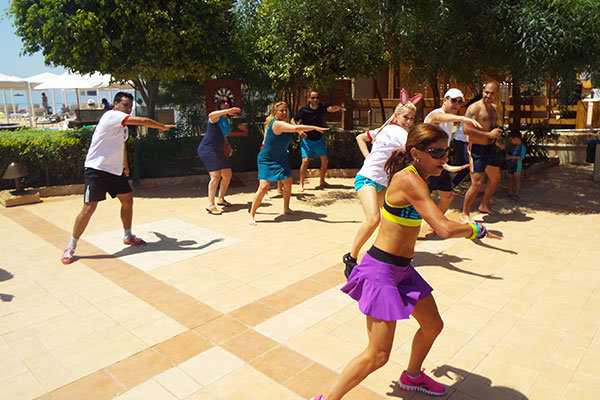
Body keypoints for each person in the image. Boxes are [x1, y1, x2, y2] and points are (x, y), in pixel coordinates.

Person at [310, 124, 500, 400]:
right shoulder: (409, 180)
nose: (444, 158)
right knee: (378, 355)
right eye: (437, 153)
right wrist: (475, 229)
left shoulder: (419, 178)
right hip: (381, 271)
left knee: (433, 325)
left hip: (402, 270)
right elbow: (444, 228)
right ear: (415, 153)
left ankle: (412, 377)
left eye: (446, 152)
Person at [60, 92, 176, 264]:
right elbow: (143, 121)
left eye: (130, 106)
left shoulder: (123, 127)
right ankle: (71, 246)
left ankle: (128, 236)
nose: (128, 109)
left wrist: (125, 166)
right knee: (89, 208)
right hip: (96, 169)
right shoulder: (111, 115)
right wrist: (162, 126)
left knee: (127, 201)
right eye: (125, 105)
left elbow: (121, 145)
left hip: (114, 172)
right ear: (115, 104)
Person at [342, 101, 417, 278]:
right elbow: (417, 153)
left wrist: (368, 158)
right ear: (396, 116)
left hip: (382, 184)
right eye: (405, 117)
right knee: (374, 219)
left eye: (412, 118)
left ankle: (388, 253)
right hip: (366, 179)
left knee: (395, 217)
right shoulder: (399, 133)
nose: (408, 121)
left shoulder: (385, 130)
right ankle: (351, 258)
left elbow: (361, 138)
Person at [249, 101, 327, 225]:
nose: (285, 112)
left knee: (288, 181)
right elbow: (295, 128)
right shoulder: (277, 124)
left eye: (286, 110)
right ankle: (252, 215)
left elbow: (292, 131)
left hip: (281, 158)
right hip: (267, 159)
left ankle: (286, 208)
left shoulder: (284, 125)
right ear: (275, 113)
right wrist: (314, 127)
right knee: (263, 187)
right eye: (281, 111)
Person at [423, 88, 480, 215]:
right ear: (445, 100)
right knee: (422, 200)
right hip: (427, 165)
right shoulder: (436, 114)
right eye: (454, 100)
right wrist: (463, 119)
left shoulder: (449, 121)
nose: (456, 104)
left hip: (439, 164)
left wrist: (446, 165)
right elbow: (438, 117)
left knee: (447, 196)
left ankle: (436, 222)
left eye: (460, 102)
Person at [459, 82, 504, 224]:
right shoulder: (474, 108)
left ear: (496, 94)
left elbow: (493, 128)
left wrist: (497, 139)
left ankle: (484, 205)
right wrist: (488, 135)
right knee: (477, 183)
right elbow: (466, 130)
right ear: (483, 91)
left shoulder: (495, 109)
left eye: (492, 93)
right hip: (476, 148)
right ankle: (464, 213)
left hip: (490, 148)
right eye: (486, 92)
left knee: (495, 178)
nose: (488, 95)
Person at [292, 91, 345, 192]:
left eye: (317, 97)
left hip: (318, 139)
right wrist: (299, 131)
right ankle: (301, 184)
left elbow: (330, 109)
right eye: (313, 97)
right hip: (306, 138)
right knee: (305, 160)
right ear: (309, 99)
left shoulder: (322, 107)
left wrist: (337, 108)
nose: (315, 99)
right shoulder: (304, 110)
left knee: (325, 160)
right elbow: (293, 120)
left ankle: (322, 181)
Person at [197, 97, 240, 215]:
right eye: (223, 102)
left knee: (227, 174)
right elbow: (210, 115)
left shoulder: (226, 120)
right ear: (219, 104)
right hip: (208, 149)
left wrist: (228, 146)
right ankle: (210, 204)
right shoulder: (216, 116)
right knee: (215, 176)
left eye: (227, 102)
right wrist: (227, 111)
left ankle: (220, 198)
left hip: (218, 150)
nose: (226, 104)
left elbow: (224, 135)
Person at [505, 131, 526, 200]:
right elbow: (507, 152)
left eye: (511, 140)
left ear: (516, 138)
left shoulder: (522, 147)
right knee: (510, 179)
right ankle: (510, 192)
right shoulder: (512, 146)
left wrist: (511, 157)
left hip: (517, 165)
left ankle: (517, 193)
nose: (510, 142)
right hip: (510, 164)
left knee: (517, 180)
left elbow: (521, 157)